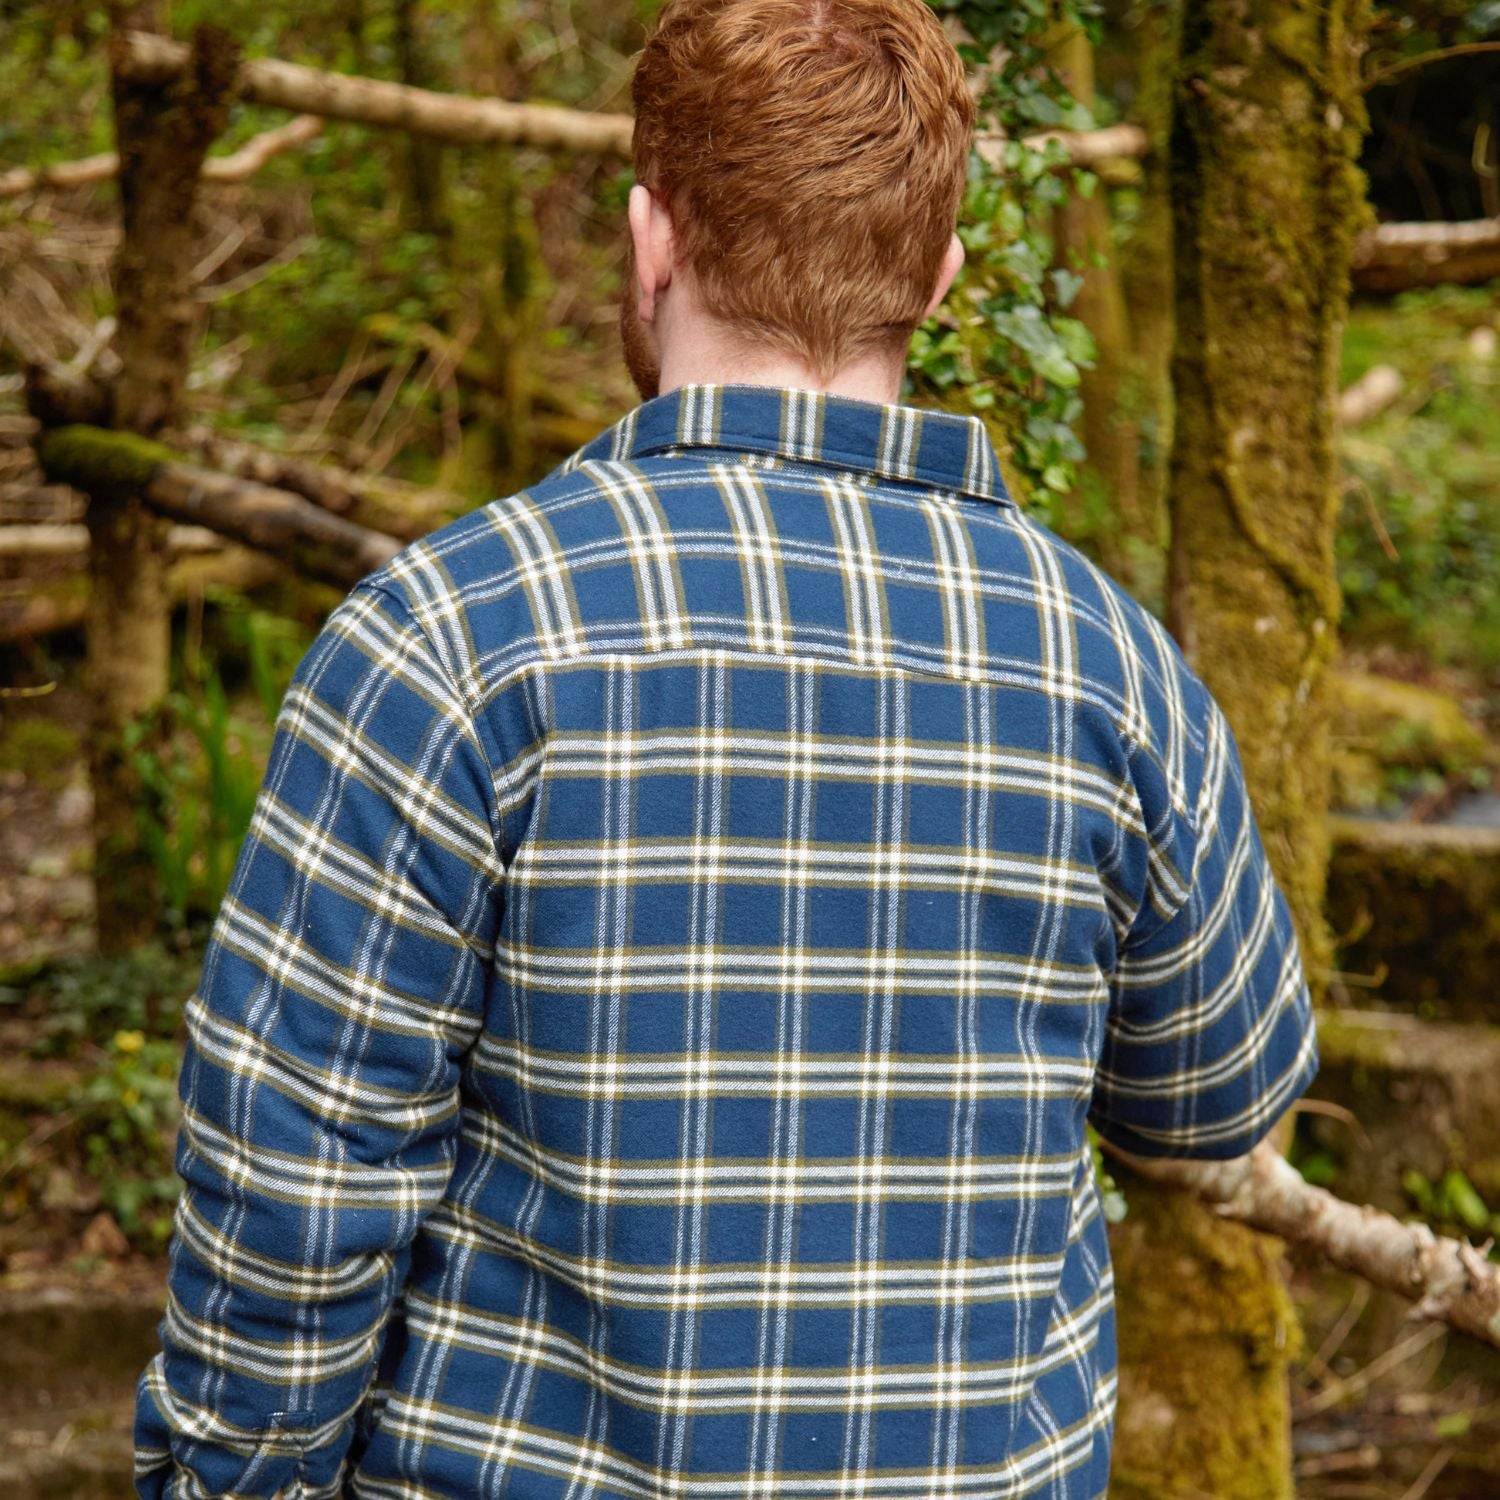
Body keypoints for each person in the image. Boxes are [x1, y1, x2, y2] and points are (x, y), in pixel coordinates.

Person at [134, 0, 1319, 1495]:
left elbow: (289, 1184)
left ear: (651, 241)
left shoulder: (445, 636)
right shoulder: (1111, 666)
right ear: (941, 277)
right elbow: (1222, 1090)